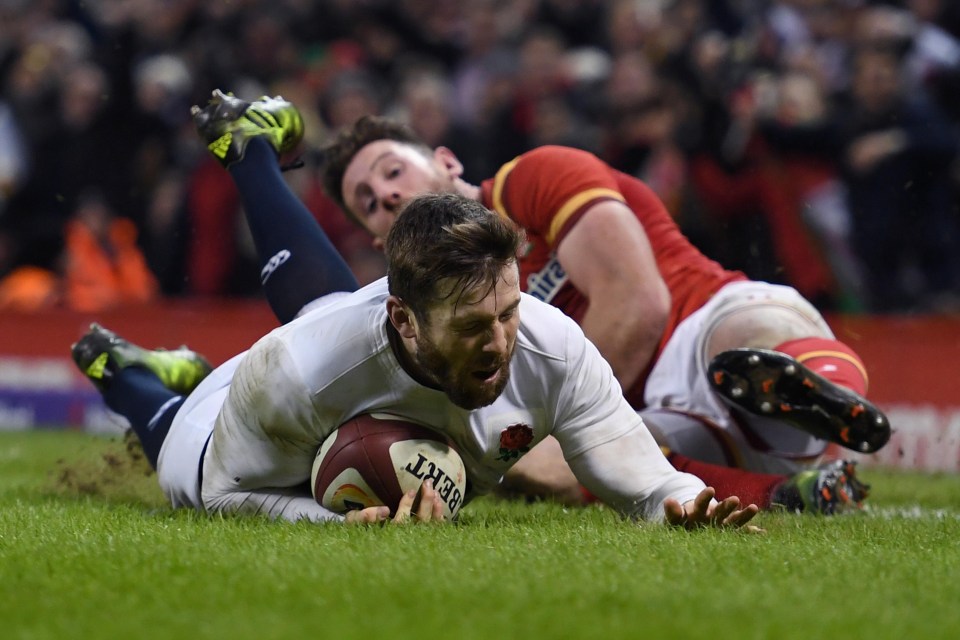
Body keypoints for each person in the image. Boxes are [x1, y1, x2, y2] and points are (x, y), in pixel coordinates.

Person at [177, 91, 878, 516]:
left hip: (697, 322)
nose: (386, 195)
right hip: (659, 414)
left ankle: (833, 394)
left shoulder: (534, 178)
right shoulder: (420, 312)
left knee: (751, 331)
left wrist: (557, 421)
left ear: (445, 162)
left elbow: (640, 305)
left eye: (392, 171)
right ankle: (788, 493)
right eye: (371, 205)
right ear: (388, 242)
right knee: (571, 463)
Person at [71, 188, 760, 530]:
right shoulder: (298, 373)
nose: (499, 345)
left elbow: (640, 480)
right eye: (471, 326)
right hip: (220, 431)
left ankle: (164, 373)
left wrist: (686, 505)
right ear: (403, 318)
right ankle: (131, 377)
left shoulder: (551, 345)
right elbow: (221, 494)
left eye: (508, 312)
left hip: (321, 368)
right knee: (170, 443)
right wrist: (334, 525)